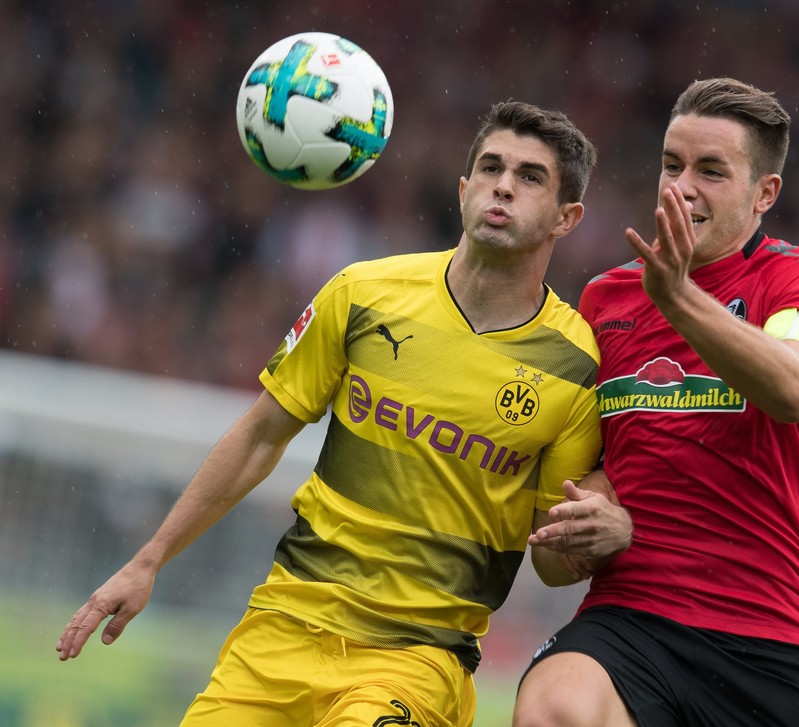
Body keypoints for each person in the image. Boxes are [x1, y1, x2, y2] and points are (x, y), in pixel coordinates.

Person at [56, 100, 632, 727]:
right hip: (283, 627)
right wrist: (148, 560)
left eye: (530, 177)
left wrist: (600, 538)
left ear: (566, 217)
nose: (503, 185)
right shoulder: (363, 293)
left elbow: (550, 559)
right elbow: (259, 437)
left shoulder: (575, 366)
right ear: (464, 189)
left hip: (416, 658)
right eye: (491, 167)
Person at [515, 77, 799, 727]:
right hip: (632, 616)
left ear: (765, 193)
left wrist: (679, 299)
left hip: (768, 631)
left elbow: (794, 389)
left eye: (711, 171)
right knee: (551, 707)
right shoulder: (605, 300)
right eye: (672, 165)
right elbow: (555, 553)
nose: (682, 186)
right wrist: (587, 531)